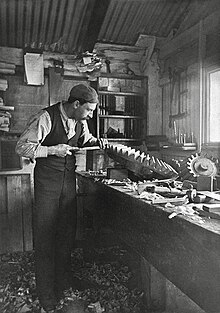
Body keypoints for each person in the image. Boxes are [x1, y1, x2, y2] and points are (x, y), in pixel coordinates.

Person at [15, 84, 108, 312]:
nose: (90, 115)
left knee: (66, 236)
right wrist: (51, 150)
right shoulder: (46, 118)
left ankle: (64, 285)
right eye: (88, 110)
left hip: (68, 185)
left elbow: (84, 140)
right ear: (75, 104)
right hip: (48, 186)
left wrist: (100, 143)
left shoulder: (80, 121)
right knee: (46, 238)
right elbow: (22, 147)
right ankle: (46, 295)